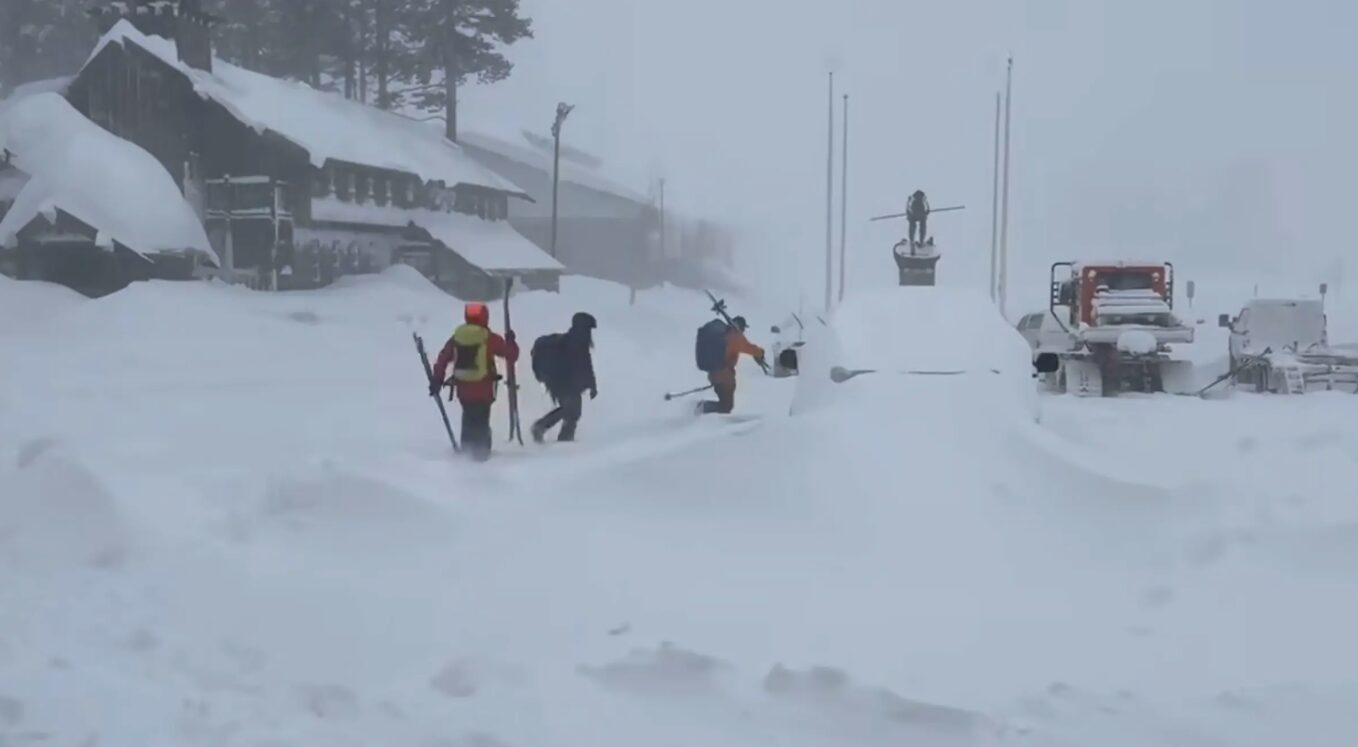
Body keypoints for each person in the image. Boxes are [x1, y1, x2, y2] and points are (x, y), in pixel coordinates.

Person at [429, 302, 519, 461]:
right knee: (481, 420)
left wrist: (437, 380)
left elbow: (443, 359)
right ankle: (481, 455)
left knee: (468, 417)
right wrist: (511, 340)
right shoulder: (488, 337)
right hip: (484, 389)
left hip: (463, 390)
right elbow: (511, 355)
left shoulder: (457, 337)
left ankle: (467, 453)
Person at [531, 312, 598, 443]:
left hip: (562, 382)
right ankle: (546, 429)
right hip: (565, 383)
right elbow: (585, 366)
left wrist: (591, 385)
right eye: (589, 328)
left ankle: (562, 436)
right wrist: (592, 385)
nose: (590, 332)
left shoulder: (573, 341)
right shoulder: (576, 342)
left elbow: (585, 366)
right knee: (571, 410)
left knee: (572, 411)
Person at [698, 316, 765, 415]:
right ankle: (703, 410)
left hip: (714, 374)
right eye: (743, 328)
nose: (743, 331)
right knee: (726, 407)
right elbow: (750, 348)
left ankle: (704, 410)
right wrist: (760, 352)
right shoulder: (735, 337)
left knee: (725, 405)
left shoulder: (725, 334)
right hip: (724, 376)